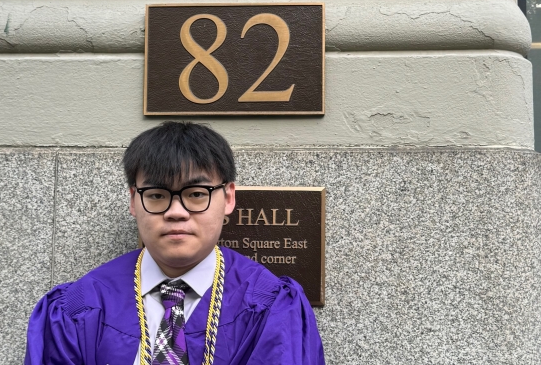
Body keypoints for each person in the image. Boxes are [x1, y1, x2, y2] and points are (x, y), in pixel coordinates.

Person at [25, 121, 325, 365]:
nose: (176, 213)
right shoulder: (79, 306)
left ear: (229, 197)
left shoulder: (271, 306)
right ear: (133, 200)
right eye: (157, 195)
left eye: (196, 194)